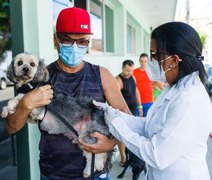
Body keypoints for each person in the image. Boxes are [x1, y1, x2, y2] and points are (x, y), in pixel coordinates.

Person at [5, 7, 130, 180]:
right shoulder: (40, 76)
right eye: (67, 40)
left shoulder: (102, 75)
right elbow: (11, 127)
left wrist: (111, 143)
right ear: (55, 40)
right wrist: (25, 104)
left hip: (96, 172)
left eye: (82, 42)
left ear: (88, 42)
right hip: (53, 174)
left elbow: (126, 115)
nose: (74, 46)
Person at [80, 22, 212, 180]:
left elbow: (157, 155)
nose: (151, 61)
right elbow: (149, 126)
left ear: (174, 60)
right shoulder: (173, 89)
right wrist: (112, 113)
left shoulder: (190, 99)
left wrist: (116, 124)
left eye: (155, 55)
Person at [115, 60, 143, 166]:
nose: (129, 72)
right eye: (127, 70)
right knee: (121, 135)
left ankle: (129, 155)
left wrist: (140, 106)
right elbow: (114, 97)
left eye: (131, 70)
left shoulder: (132, 77)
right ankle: (123, 157)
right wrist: (122, 111)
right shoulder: (118, 80)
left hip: (133, 109)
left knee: (131, 133)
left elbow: (136, 91)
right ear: (122, 69)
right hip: (122, 112)